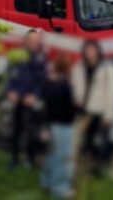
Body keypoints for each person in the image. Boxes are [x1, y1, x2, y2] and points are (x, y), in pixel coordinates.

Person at [71, 40, 113, 175]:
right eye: (88, 50)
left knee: (103, 141)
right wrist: (77, 100)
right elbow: (75, 87)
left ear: (98, 51)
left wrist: (108, 114)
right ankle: (90, 165)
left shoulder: (107, 68)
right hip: (85, 110)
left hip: (100, 110)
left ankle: (103, 168)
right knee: (88, 140)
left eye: (93, 50)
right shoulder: (79, 67)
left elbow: (111, 93)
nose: (90, 53)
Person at [6, 29, 47, 168]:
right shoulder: (17, 56)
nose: (33, 44)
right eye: (31, 40)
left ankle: (30, 159)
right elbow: (9, 76)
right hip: (18, 98)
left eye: (36, 41)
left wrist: (34, 95)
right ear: (25, 41)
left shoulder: (41, 59)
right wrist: (11, 91)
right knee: (16, 130)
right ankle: (14, 159)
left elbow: (42, 81)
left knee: (32, 131)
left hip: (31, 100)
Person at [40, 51, 77, 198]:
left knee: (50, 155)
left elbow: (44, 105)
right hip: (63, 125)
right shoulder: (65, 85)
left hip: (49, 125)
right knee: (62, 157)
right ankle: (59, 187)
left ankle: (46, 181)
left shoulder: (47, 82)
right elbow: (69, 108)